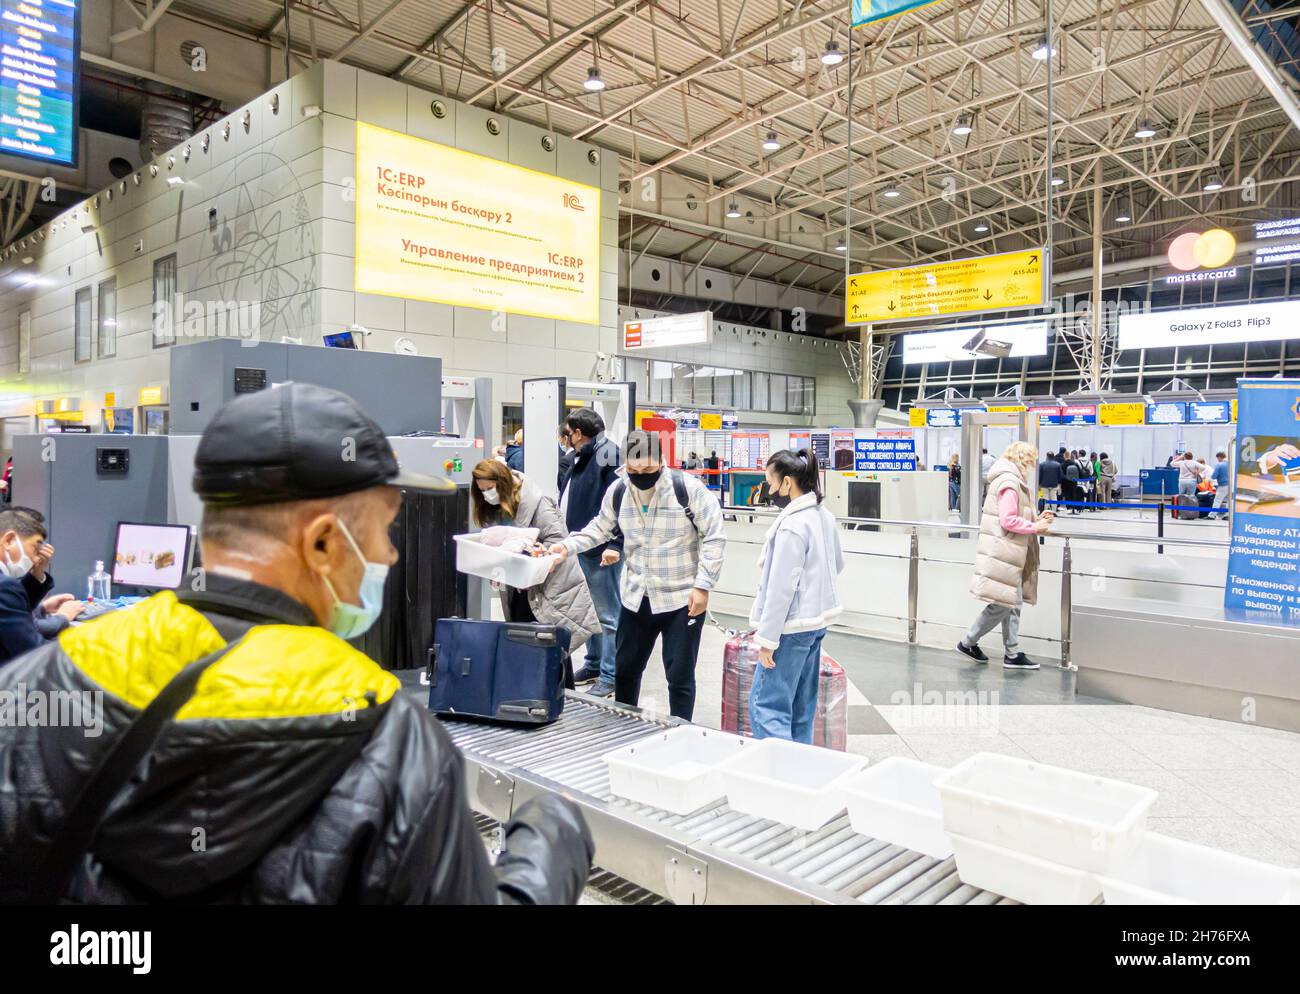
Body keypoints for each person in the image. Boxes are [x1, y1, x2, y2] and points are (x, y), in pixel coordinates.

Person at [0, 383, 593, 903]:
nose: (390, 553)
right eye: (382, 531)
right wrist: (550, 844)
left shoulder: (39, 686)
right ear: (322, 543)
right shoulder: (388, 740)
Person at [550, 430, 726, 721]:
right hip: (635, 598)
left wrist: (703, 585)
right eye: (634, 469)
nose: (641, 475)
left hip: (681, 599)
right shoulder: (619, 490)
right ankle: (625, 727)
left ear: (662, 462)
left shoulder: (688, 489)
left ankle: (681, 732)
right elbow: (599, 528)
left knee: (680, 675)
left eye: (648, 469)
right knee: (627, 671)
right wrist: (565, 547)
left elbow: (715, 537)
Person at [747, 450, 843, 742]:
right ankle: (801, 773)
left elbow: (780, 590)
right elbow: (837, 563)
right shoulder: (822, 516)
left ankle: (780, 775)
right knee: (802, 706)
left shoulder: (791, 526)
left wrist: (767, 640)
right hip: (815, 625)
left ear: (787, 483)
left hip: (789, 629)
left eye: (770, 483)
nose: (769, 491)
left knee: (767, 707)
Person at [469, 460, 598, 647]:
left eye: (490, 488)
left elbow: (557, 540)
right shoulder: (497, 507)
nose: (487, 494)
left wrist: (525, 548)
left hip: (549, 586)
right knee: (526, 645)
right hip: (520, 587)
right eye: (482, 490)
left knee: (552, 649)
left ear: (503, 482)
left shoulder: (539, 502)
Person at [957, 441, 1053, 670]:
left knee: (1011, 601)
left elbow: (1014, 514)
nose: (1030, 467)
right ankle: (968, 642)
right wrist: (1036, 528)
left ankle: (1012, 652)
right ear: (1021, 460)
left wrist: (1036, 518)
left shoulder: (1008, 480)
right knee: (1003, 603)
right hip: (1005, 551)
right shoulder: (1010, 482)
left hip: (1006, 551)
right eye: (1029, 462)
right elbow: (1008, 520)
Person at [559, 407, 623, 697]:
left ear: (579, 433)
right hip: (581, 545)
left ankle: (611, 675)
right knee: (590, 612)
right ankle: (595, 663)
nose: (566, 438)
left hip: (600, 549)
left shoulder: (608, 455)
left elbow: (620, 504)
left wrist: (615, 544)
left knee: (608, 615)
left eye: (569, 433)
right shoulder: (582, 456)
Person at [0, 507, 85, 664]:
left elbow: (9, 611)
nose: (36, 557)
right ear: (8, 540)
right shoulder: (5, 586)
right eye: (35, 547)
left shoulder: (6, 587)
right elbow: (32, 651)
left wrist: (38, 574)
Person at [1210, 451, 1231, 519]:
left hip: (1223, 485)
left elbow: (1213, 476)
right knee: (1229, 501)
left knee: (1217, 500)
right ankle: (1227, 515)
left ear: (1219, 457)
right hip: (1231, 485)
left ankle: (1212, 515)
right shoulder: (1230, 464)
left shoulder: (1219, 465)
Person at [557, 424, 576, 493]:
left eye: (559, 437)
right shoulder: (579, 455)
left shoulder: (565, 461)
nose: (559, 440)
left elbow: (563, 486)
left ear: (565, 438)